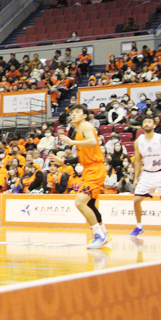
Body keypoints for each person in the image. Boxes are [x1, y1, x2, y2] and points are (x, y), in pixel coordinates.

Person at [50, 104, 110, 249]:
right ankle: (104, 233)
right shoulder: (79, 131)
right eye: (73, 112)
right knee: (89, 205)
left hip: (95, 169)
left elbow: (93, 142)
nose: (74, 114)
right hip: (89, 169)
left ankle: (99, 236)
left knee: (80, 203)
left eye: (78, 112)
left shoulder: (85, 126)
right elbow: (82, 157)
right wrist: (64, 162)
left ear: (85, 115)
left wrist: (73, 142)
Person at [130, 116, 161, 237]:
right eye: (145, 122)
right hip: (147, 174)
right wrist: (136, 178)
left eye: (149, 122)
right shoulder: (138, 141)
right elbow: (137, 161)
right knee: (136, 200)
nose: (147, 123)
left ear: (154, 125)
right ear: (142, 125)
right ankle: (139, 226)